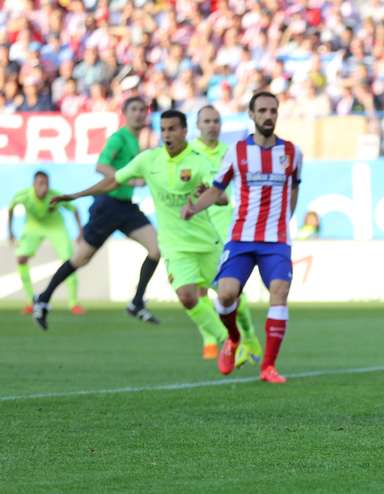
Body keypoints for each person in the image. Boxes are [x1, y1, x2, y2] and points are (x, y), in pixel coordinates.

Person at [49, 110, 230, 359]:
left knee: (229, 296)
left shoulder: (198, 161)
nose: (167, 134)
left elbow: (221, 197)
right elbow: (114, 180)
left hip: (207, 241)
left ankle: (246, 339)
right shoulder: (149, 160)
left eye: (173, 129)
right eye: (163, 129)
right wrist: (76, 195)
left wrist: (198, 205)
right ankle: (225, 341)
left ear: (184, 131)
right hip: (174, 245)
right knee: (188, 296)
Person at [182, 91, 302, 383]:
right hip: (242, 238)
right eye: (262, 110)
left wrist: (284, 220)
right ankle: (233, 338)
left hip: (276, 240)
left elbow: (295, 188)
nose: (268, 116)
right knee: (225, 295)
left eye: (273, 110)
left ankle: (268, 367)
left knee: (280, 293)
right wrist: (195, 208)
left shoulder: (292, 152)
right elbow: (216, 187)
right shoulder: (236, 152)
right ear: (251, 114)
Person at [32, 96, 161, 330]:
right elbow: (101, 166)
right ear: (125, 112)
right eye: (134, 109)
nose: (140, 114)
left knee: (155, 249)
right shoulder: (120, 138)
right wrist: (129, 179)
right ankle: (43, 298)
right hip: (107, 206)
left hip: (126, 207)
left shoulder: (135, 141)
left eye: (143, 110)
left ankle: (136, 302)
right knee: (81, 258)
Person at [189, 105, 261, 364]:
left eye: (216, 121)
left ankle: (248, 336)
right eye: (207, 121)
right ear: (198, 125)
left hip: (225, 227)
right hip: (196, 228)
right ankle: (210, 338)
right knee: (197, 290)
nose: (212, 125)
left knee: (230, 288)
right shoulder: (189, 153)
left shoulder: (231, 152)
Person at [8, 171, 84, 315]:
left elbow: (75, 209)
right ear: (33, 185)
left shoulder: (55, 196)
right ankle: (31, 302)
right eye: (40, 183)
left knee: (69, 261)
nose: (44, 186)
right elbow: (11, 209)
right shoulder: (23, 195)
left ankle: (73, 303)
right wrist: (10, 231)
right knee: (21, 258)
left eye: (46, 183)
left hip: (56, 227)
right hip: (33, 226)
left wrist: (80, 230)